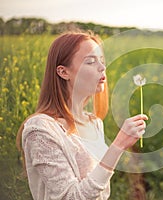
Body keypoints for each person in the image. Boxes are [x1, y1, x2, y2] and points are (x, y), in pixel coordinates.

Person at [16, 30, 148, 200]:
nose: (102, 67)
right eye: (91, 61)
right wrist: (118, 145)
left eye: (102, 61)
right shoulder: (41, 130)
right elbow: (71, 197)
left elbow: (100, 191)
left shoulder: (94, 123)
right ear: (64, 72)